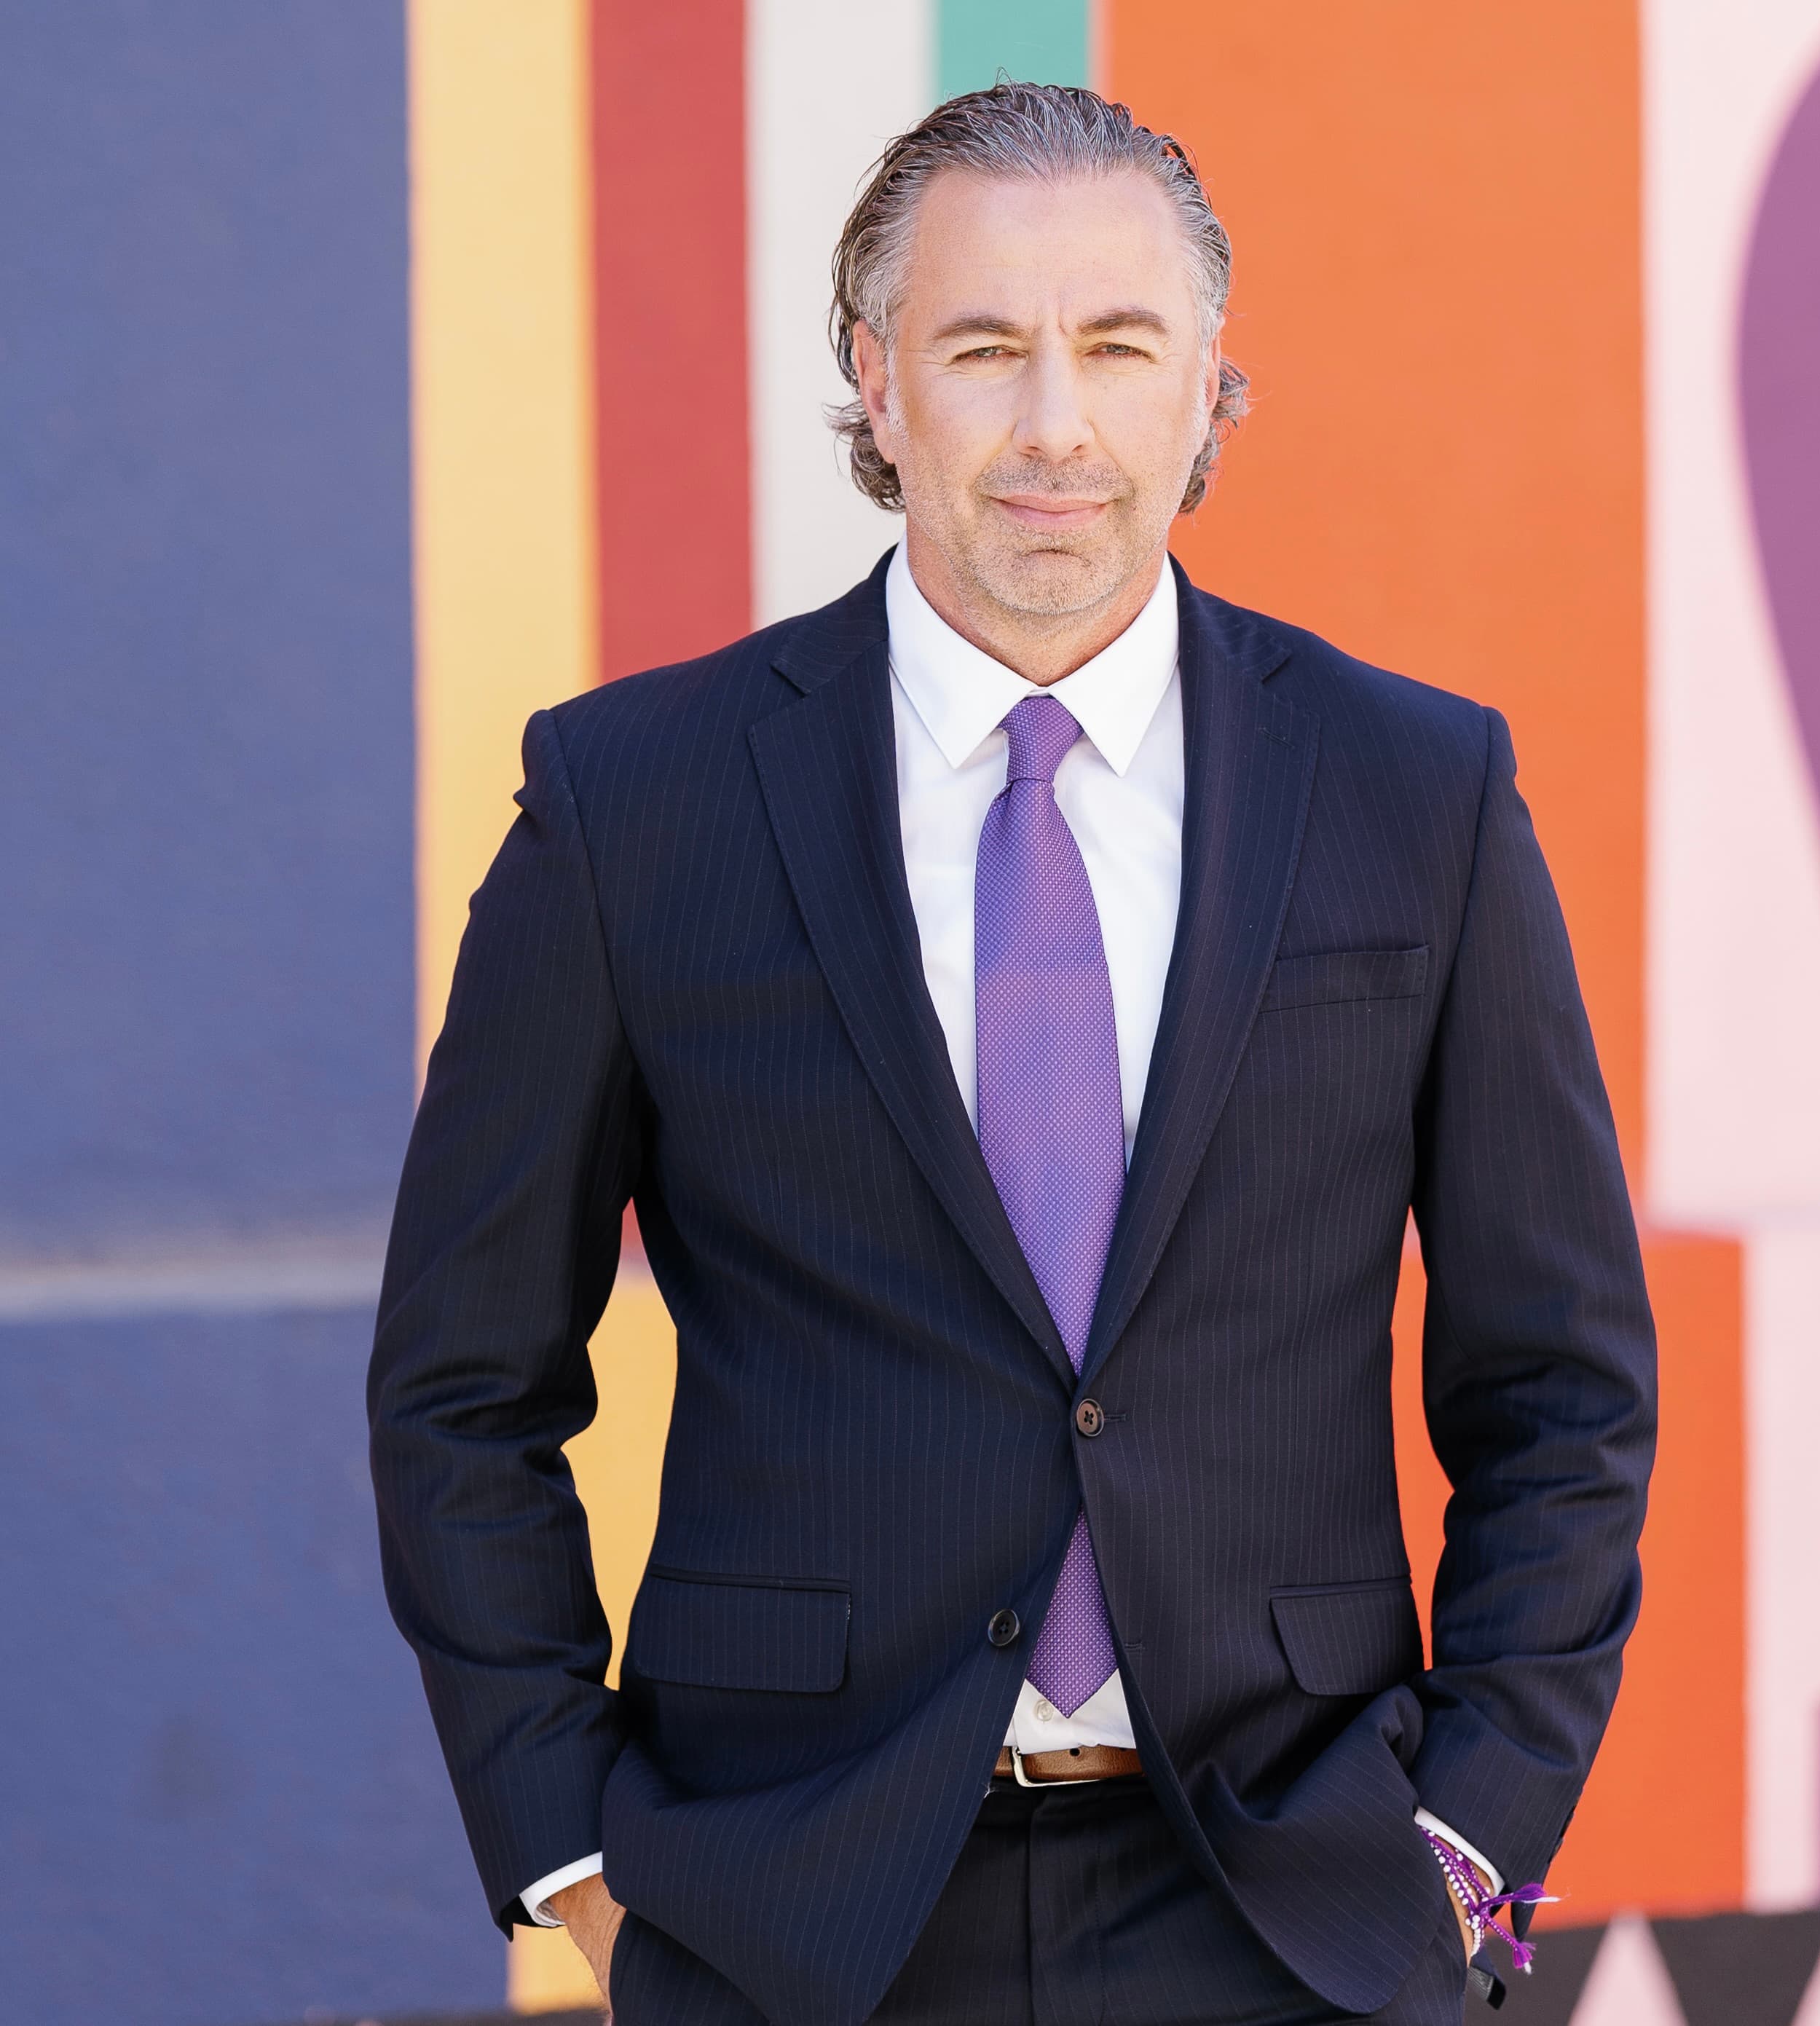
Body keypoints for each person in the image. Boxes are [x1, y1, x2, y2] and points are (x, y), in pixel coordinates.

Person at [369, 82, 1656, 2026]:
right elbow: (463, 1385)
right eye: (984, 348)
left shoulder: (1418, 790)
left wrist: (1465, 1843)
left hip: (1298, 1905)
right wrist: (578, 1865)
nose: (1056, 424)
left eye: (1119, 347)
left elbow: (1561, 1381)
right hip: (785, 1912)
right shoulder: (635, 803)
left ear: (1210, 387)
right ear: (876, 380)